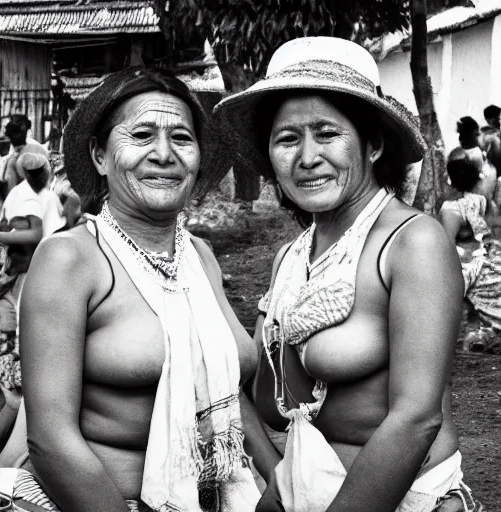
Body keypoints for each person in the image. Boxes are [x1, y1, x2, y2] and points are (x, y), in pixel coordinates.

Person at [214, 37, 483, 512]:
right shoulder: (291, 259)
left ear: (373, 143)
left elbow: (416, 419)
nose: (307, 157)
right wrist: (279, 485)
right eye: (287, 138)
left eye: (326, 132)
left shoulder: (411, 244)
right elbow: (261, 392)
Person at [0, 67, 261, 512]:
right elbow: (50, 440)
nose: (163, 154)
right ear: (100, 156)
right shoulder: (70, 260)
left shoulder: (200, 258)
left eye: (182, 138)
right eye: (141, 135)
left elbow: (225, 392)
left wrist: (275, 487)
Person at [0, 151, 65, 469]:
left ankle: (3, 453)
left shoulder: (25, 271)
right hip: (5, 340)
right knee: (14, 399)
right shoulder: (11, 273)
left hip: (12, 339)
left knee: (20, 400)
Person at [440, 147, 501, 333]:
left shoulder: (450, 209)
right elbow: (496, 231)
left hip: (468, 267)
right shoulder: (485, 203)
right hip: (489, 262)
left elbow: (445, 248)